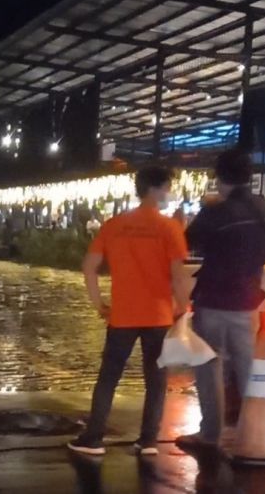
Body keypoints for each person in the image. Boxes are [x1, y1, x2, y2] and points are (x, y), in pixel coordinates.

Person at [68, 166, 190, 456]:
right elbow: (178, 274)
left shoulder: (113, 225)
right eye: (166, 188)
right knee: (156, 379)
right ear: (156, 189)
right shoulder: (169, 227)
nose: (168, 193)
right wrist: (182, 307)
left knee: (109, 376)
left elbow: (89, 267)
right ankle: (148, 440)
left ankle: (94, 438)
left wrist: (99, 305)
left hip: (122, 316)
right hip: (159, 316)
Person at [176, 149, 265, 450]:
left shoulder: (216, 212)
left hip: (214, 300)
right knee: (248, 371)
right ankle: (258, 435)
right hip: (248, 301)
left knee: (208, 367)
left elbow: (185, 244)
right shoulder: (263, 209)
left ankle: (210, 434)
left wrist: (188, 218)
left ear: (220, 178)